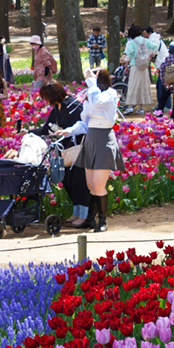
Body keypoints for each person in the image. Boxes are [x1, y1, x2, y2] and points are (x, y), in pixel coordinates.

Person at [65, 67, 123, 232]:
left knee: (98, 184)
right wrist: (69, 130)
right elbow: (85, 121)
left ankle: (102, 221)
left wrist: (91, 82)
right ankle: (90, 219)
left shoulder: (110, 94)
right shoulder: (92, 94)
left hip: (104, 139)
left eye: (94, 77)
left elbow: (99, 102)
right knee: (90, 184)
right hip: (90, 139)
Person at [36, 82, 89, 227]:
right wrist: (28, 132)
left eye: (46, 97)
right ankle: (76, 213)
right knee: (67, 182)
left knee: (80, 183)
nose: (45, 101)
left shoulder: (73, 106)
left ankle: (84, 216)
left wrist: (68, 131)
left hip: (78, 149)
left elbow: (83, 126)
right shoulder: (56, 109)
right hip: (64, 152)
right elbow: (46, 129)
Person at [123, 26, 154, 115]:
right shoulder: (146, 41)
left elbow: (129, 54)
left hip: (135, 65)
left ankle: (130, 106)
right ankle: (141, 107)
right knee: (143, 86)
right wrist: (150, 56)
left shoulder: (132, 42)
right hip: (144, 67)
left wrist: (126, 64)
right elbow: (155, 47)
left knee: (133, 85)